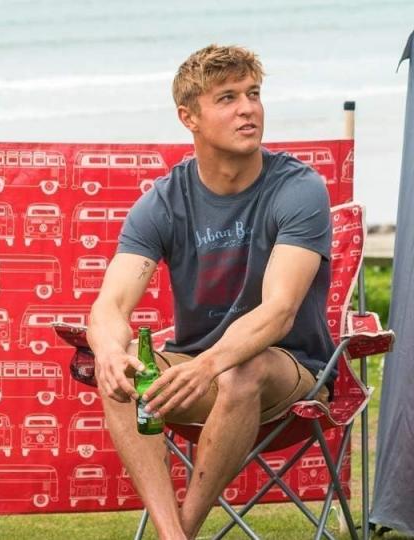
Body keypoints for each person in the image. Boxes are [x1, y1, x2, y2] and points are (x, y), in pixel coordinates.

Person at [86, 44, 333, 540]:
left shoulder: (299, 189)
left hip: (293, 373)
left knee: (246, 367)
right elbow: (110, 305)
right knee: (120, 369)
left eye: (254, 94)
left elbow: (278, 312)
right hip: (199, 373)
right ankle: (169, 533)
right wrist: (110, 351)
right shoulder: (162, 202)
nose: (248, 109)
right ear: (189, 117)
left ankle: (186, 532)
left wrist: (206, 366)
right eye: (227, 98)